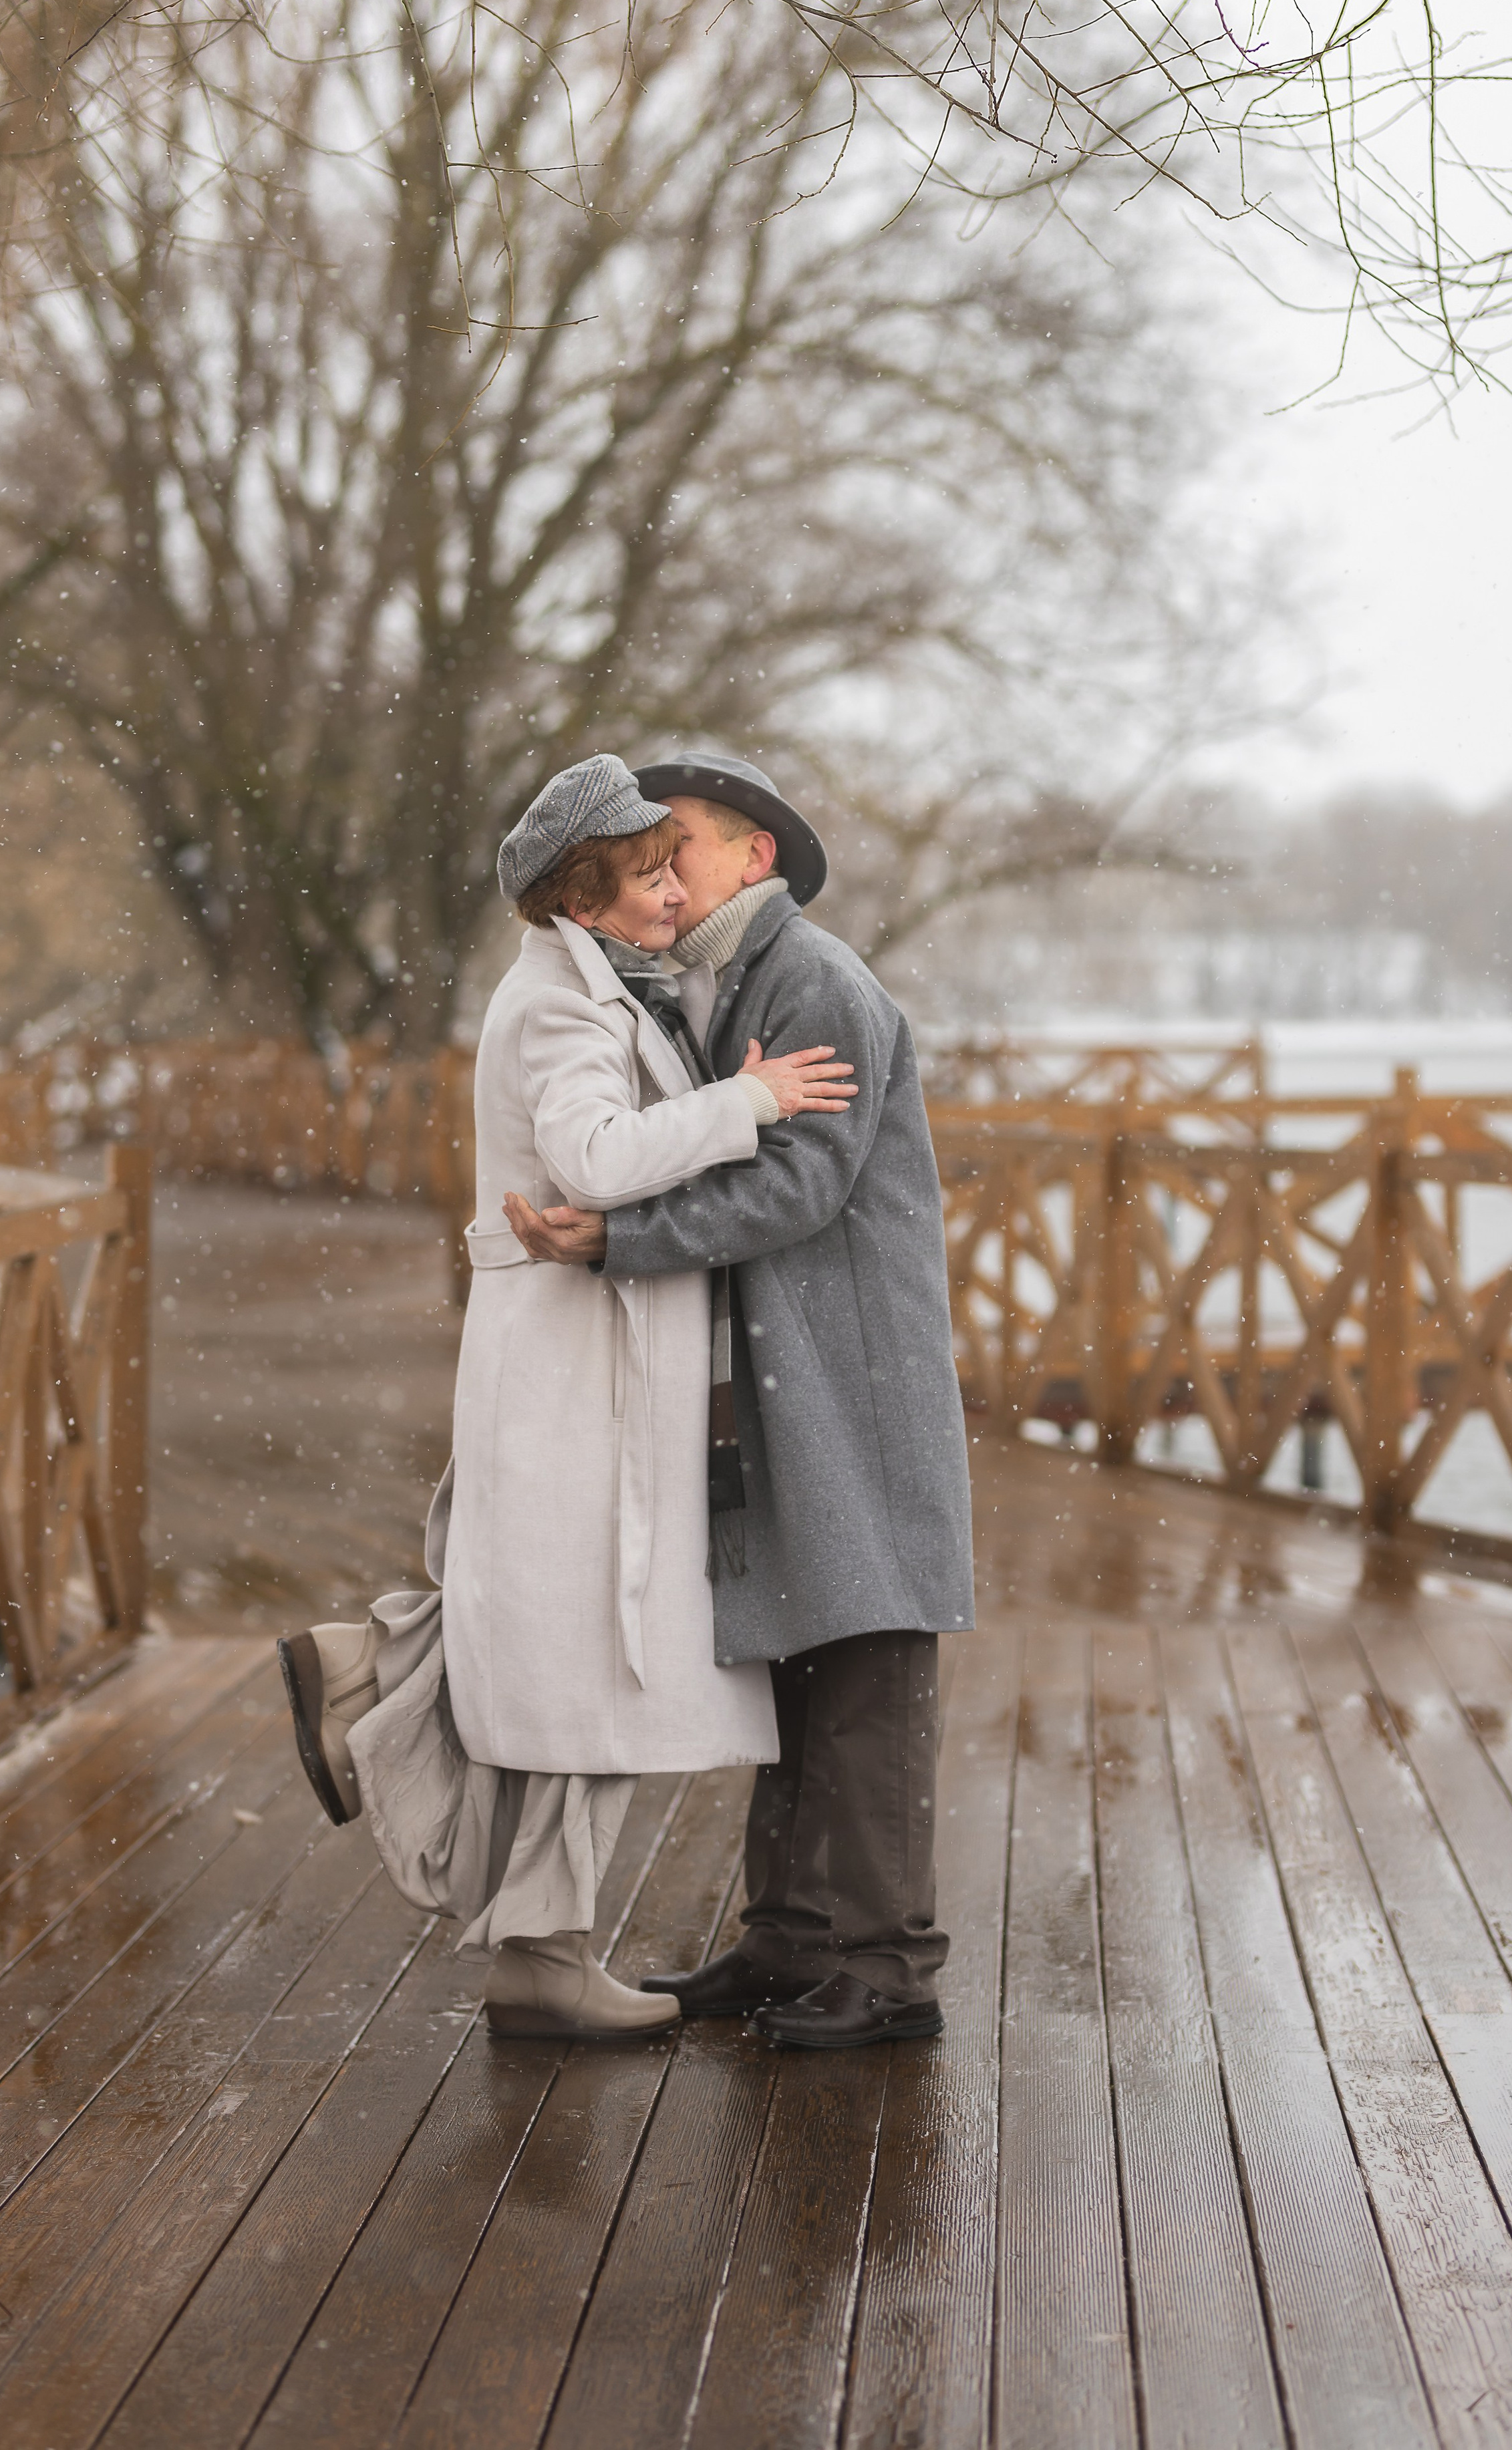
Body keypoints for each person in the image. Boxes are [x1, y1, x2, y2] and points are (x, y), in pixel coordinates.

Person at [279, 753, 855, 2042]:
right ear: (587, 893)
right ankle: (391, 1699)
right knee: (573, 1640)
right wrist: (750, 1102)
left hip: (596, 1355)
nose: (672, 892)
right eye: (651, 874)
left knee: (575, 1645)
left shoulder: (602, 989)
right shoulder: (561, 1008)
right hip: (566, 1360)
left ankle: (533, 1937)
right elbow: (592, 1161)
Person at [503, 747, 974, 2051]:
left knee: (866, 1655)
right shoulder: (716, 982)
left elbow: (796, 1187)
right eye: (641, 859)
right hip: (784, 1378)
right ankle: (788, 1942)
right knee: (795, 1657)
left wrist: (611, 1239)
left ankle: (883, 1970)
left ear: (752, 856)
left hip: (849, 1379)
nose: (659, 873)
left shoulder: (811, 978)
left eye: (679, 849)